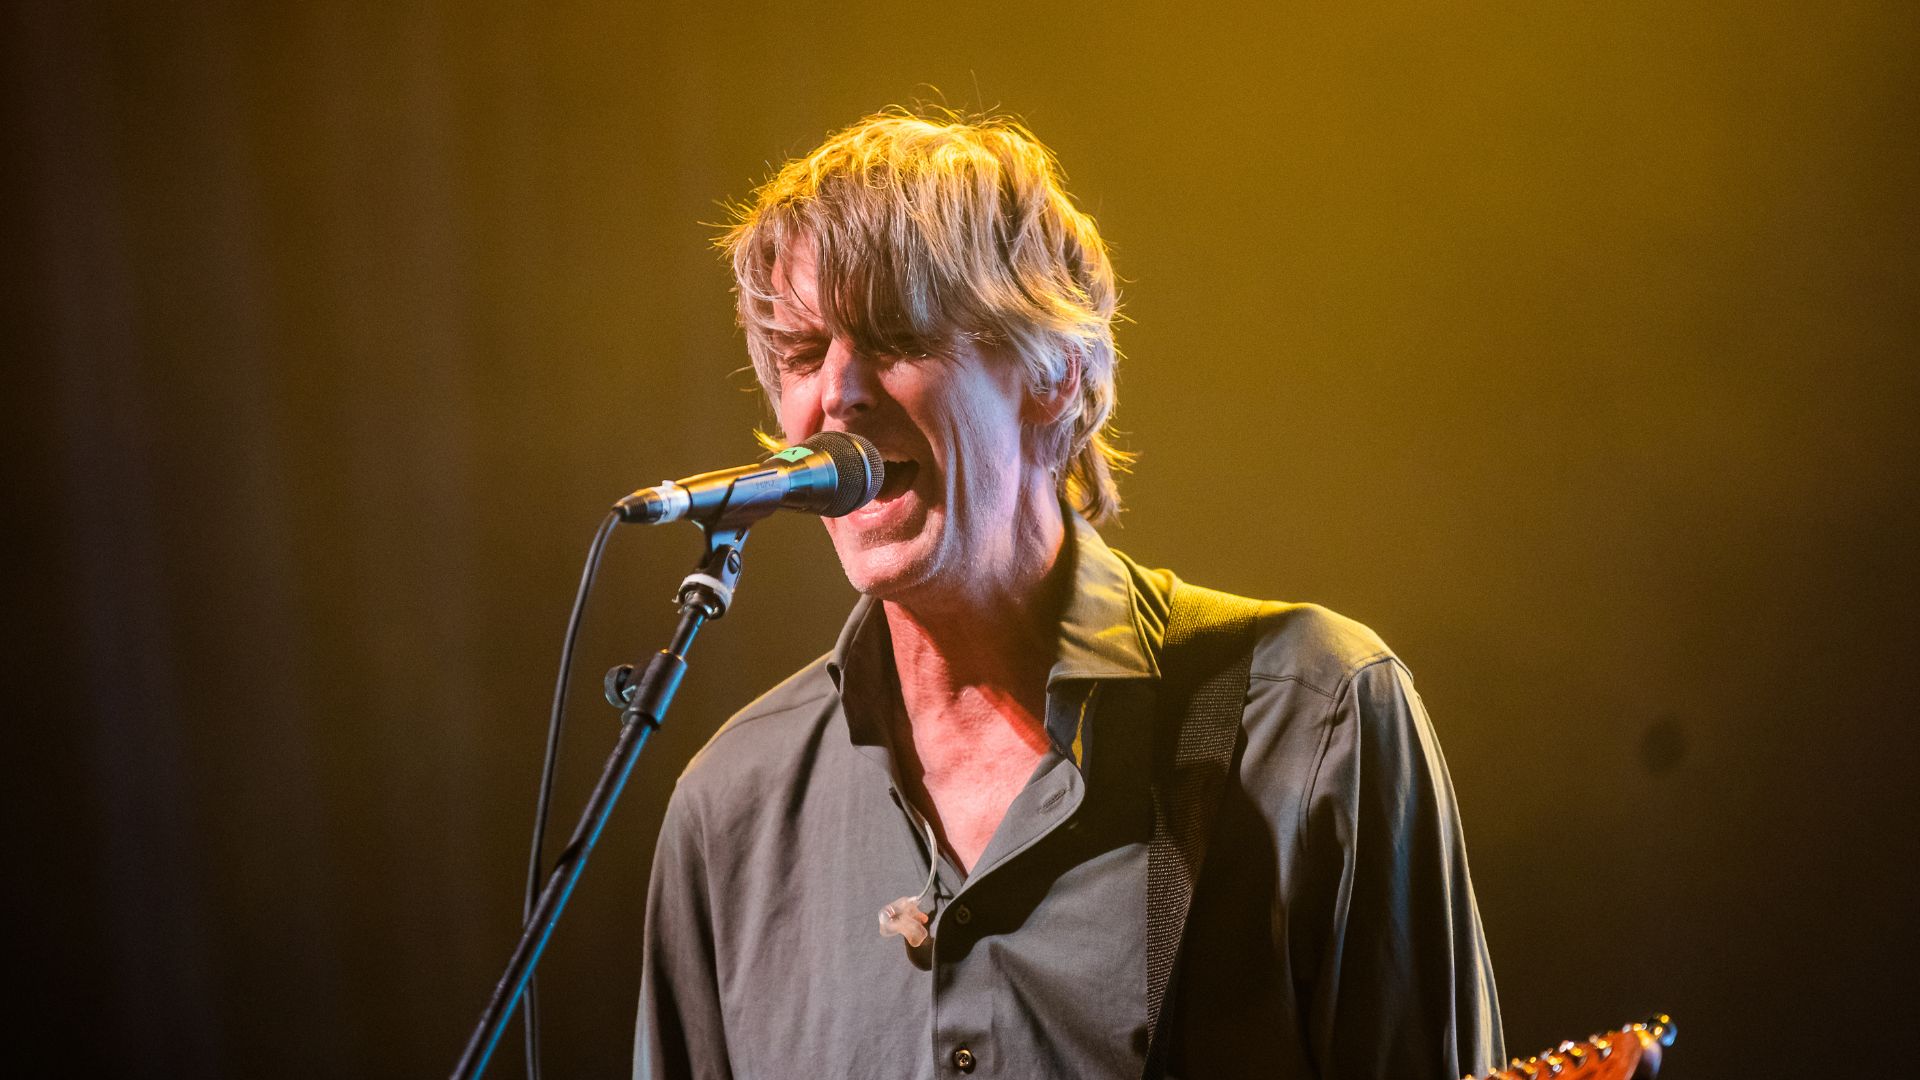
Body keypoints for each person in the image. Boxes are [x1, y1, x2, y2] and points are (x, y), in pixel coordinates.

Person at [635, 111, 1502, 1080]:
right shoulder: (731, 809)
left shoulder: (1316, 720)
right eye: (803, 354)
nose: (838, 393)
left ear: (1055, 376)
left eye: (895, 334)